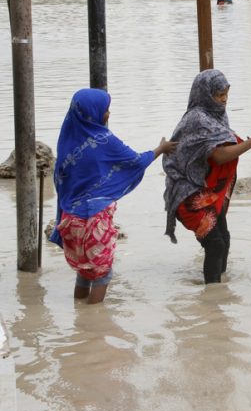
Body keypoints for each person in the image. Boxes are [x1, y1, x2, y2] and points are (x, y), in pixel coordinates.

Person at [50, 88, 177, 304]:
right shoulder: (103, 139)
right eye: (106, 109)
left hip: (70, 219)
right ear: (93, 112)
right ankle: (93, 324)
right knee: (102, 273)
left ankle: (79, 316)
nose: (108, 114)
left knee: (84, 269)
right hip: (94, 220)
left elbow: (62, 183)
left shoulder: (67, 143)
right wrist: (161, 148)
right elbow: (135, 161)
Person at [163, 69, 251, 284]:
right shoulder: (197, 119)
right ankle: (212, 294)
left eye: (226, 93)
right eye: (219, 95)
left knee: (224, 239)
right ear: (205, 94)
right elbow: (220, 156)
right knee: (215, 245)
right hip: (190, 195)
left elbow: (226, 142)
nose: (224, 99)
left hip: (208, 193)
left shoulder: (217, 114)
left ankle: (217, 300)